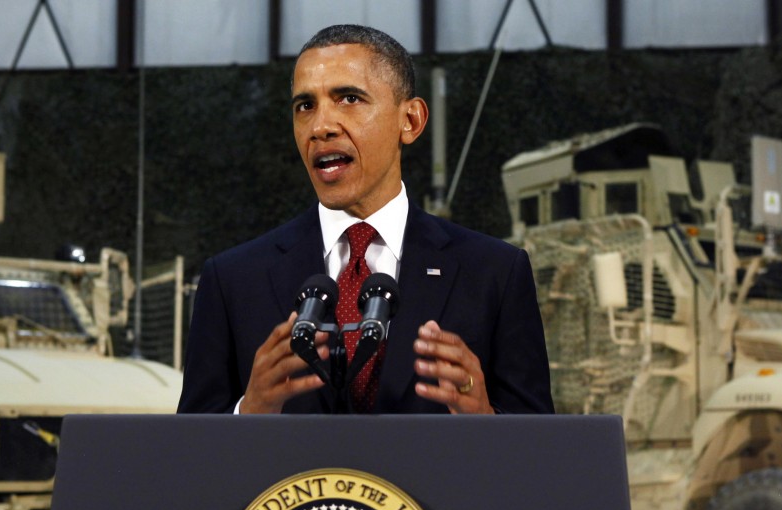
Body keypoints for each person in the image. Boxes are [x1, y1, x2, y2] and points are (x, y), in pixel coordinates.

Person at [177, 24, 552, 415]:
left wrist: (486, 421)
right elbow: (189, 459)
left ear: (410, 121)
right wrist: (248, 412)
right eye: (305, 106)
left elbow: (543, 456)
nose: (321, 126)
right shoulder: (234, 280)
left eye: (349, 99)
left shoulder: (495, 273)